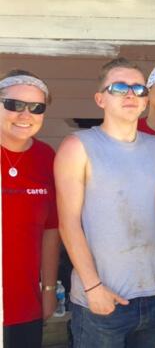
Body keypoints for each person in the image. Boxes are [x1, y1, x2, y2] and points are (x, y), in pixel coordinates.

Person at [55, 58, 155, 347]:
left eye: (138, 88)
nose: (130, 94)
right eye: (120, 87)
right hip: (101, 300)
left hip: (151, 295)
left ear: (146, 101)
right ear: (101, 99)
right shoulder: (78, 146)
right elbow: (68, 223)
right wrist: (93, 286)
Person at [1, 70, 60, 348]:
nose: (25, 114)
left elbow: (51, 229)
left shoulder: (46, 157)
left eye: (36, 107)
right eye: (14, 105)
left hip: (25, 301)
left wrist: (48, 289)